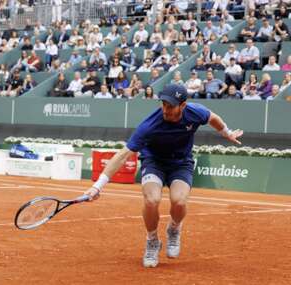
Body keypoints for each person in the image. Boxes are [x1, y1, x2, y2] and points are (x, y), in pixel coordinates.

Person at [84, 84, 243, 268]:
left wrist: (227, 133)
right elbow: (123, 155)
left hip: (181, 163)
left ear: (182, 106)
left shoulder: (195, 112)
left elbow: (213, 118)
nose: (165, 109)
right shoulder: (150, 125)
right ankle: (152, 240)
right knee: (152, 200)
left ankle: (174, 229)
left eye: (171, 105)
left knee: (179, 201)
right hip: (154, 162)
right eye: (164, 104)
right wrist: (97, 186)